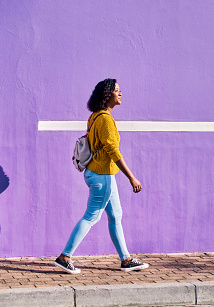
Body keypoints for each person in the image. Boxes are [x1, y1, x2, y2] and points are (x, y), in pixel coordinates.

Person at [54, 78, 149, 274]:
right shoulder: (105, 119)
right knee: (91, 216)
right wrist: (132, 177)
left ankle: (126, 259)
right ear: (107, 95)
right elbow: (113, 151)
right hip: (102, 175)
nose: (120, 94)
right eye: (117, 91)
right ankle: (65, 256)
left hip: (96, 173)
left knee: (115, 215)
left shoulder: (94, 117)